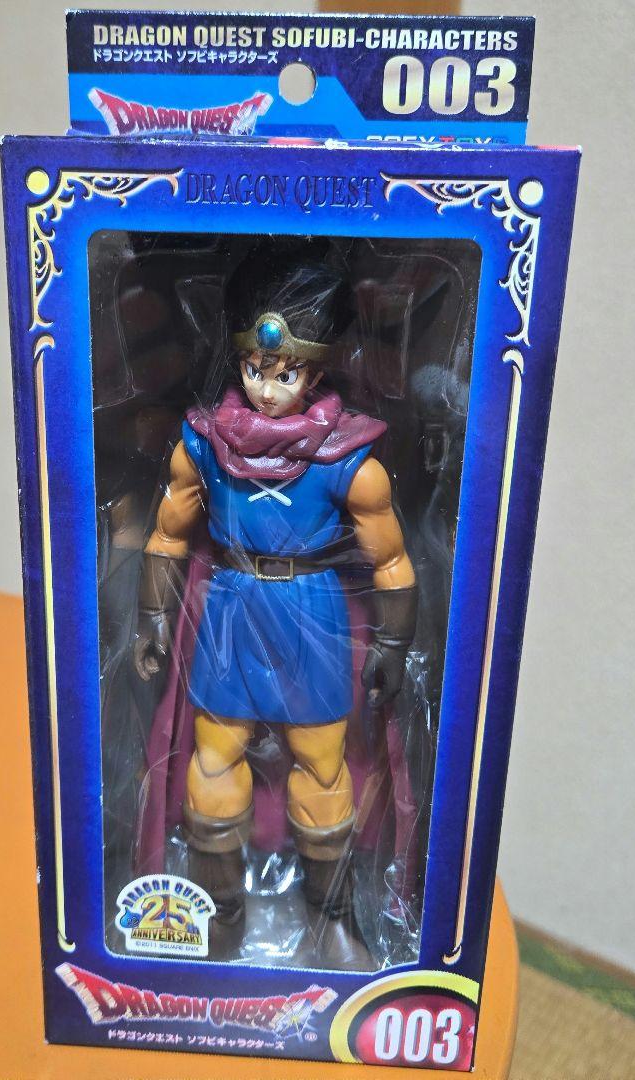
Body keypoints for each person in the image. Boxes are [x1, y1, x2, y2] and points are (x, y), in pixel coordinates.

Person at [134, 249, 416, 969]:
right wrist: (155, 616)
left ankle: (331, 920)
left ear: (314, 374)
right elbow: (167, 534)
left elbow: (390, 559)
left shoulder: (348, 459)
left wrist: (392, 643)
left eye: (284, 373)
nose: (266, 389)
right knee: (214, 755)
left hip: (308, 610)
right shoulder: (206, 444)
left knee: (322, 765)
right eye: (256, 370)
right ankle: (221, 914)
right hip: (233, 604)